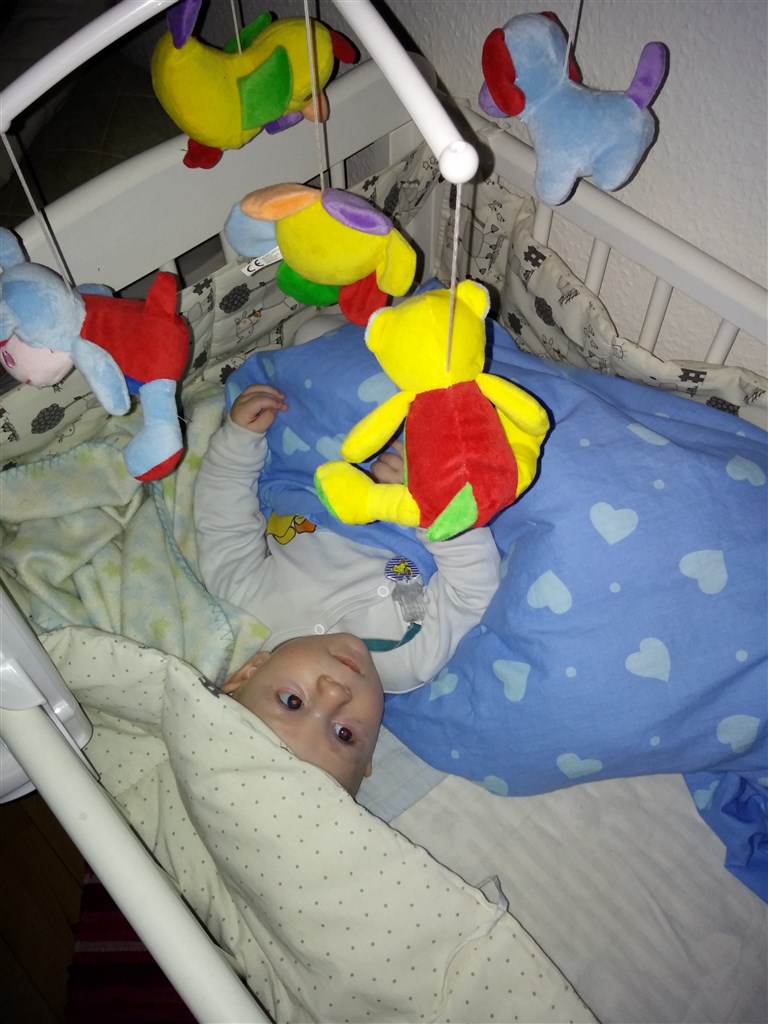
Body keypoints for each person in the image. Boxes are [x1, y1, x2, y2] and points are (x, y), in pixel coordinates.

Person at [194, 382, 501, 794]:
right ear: (370, 751)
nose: (336, 692)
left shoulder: (249, 606)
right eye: (344, 735)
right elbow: (473, 593)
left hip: (318, 470)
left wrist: (237, 443)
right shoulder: (409, 661)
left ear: (247, 673)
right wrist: (434, 508)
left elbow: (222, 524)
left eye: (293, 702)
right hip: (415, 496)